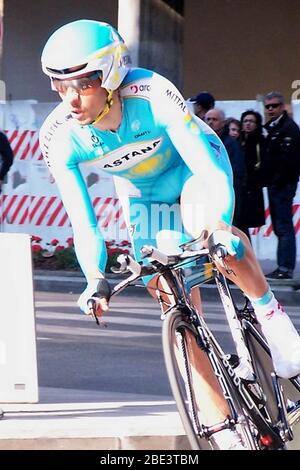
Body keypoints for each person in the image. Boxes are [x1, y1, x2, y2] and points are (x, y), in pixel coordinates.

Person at [39, 20, 300, 450]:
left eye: (82, 84)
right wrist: (93, 278)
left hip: (195, 172)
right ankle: (221, 424)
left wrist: (216, 225)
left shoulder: (152, 93)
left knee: (220, 241)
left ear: (110, 75)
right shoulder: (60, 137)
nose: (70, 98)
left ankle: (273, 318)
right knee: (164, 290)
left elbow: (206, 169)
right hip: (144, 196)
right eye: (58, 85)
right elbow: (83, 221)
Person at [264, 92, 300, 280]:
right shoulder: (273, 127)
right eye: (268, 106)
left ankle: (285, 267)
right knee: (280, 227)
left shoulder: (289, 128)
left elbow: (289, 161)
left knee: (284, 226)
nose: (270, 109)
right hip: (275, 184)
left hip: (283, 185)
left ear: (282, 106)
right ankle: (282, 266)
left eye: (274, 106)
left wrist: (278, 181)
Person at [205, 108, 246, 231]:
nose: (211, 122)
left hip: (226, 194)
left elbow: (237, 171)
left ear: (223, 123)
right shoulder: (202, 140)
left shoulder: (230, 144)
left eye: (215, 119)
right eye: (208, 119)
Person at [238, 110, 266, 240]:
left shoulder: (260, 142)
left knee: (243, 224)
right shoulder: (238, 141)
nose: (248, 124)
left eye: (251, 121)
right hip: (240, 189)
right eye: (245, 121)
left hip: (251, 190)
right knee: (240, 225)